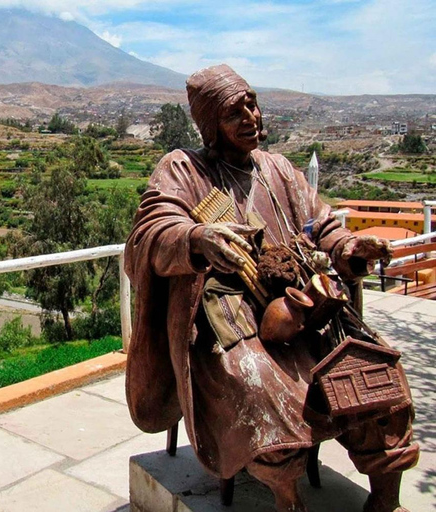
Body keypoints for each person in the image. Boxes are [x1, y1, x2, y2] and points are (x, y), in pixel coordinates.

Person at [124, 64, 418, 512]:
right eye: (234, 112)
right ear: (211, 125)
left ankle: (385, 499)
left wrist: (351, 247)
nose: (251, 118)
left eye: (253, 105)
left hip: (304, 314)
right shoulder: (183, 169)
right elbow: (149, 234)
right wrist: (196, 238)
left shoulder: (277, 168)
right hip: (227, 325)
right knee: (259, 387)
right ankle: (286, 496)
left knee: (374, 366)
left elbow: (322, 226)